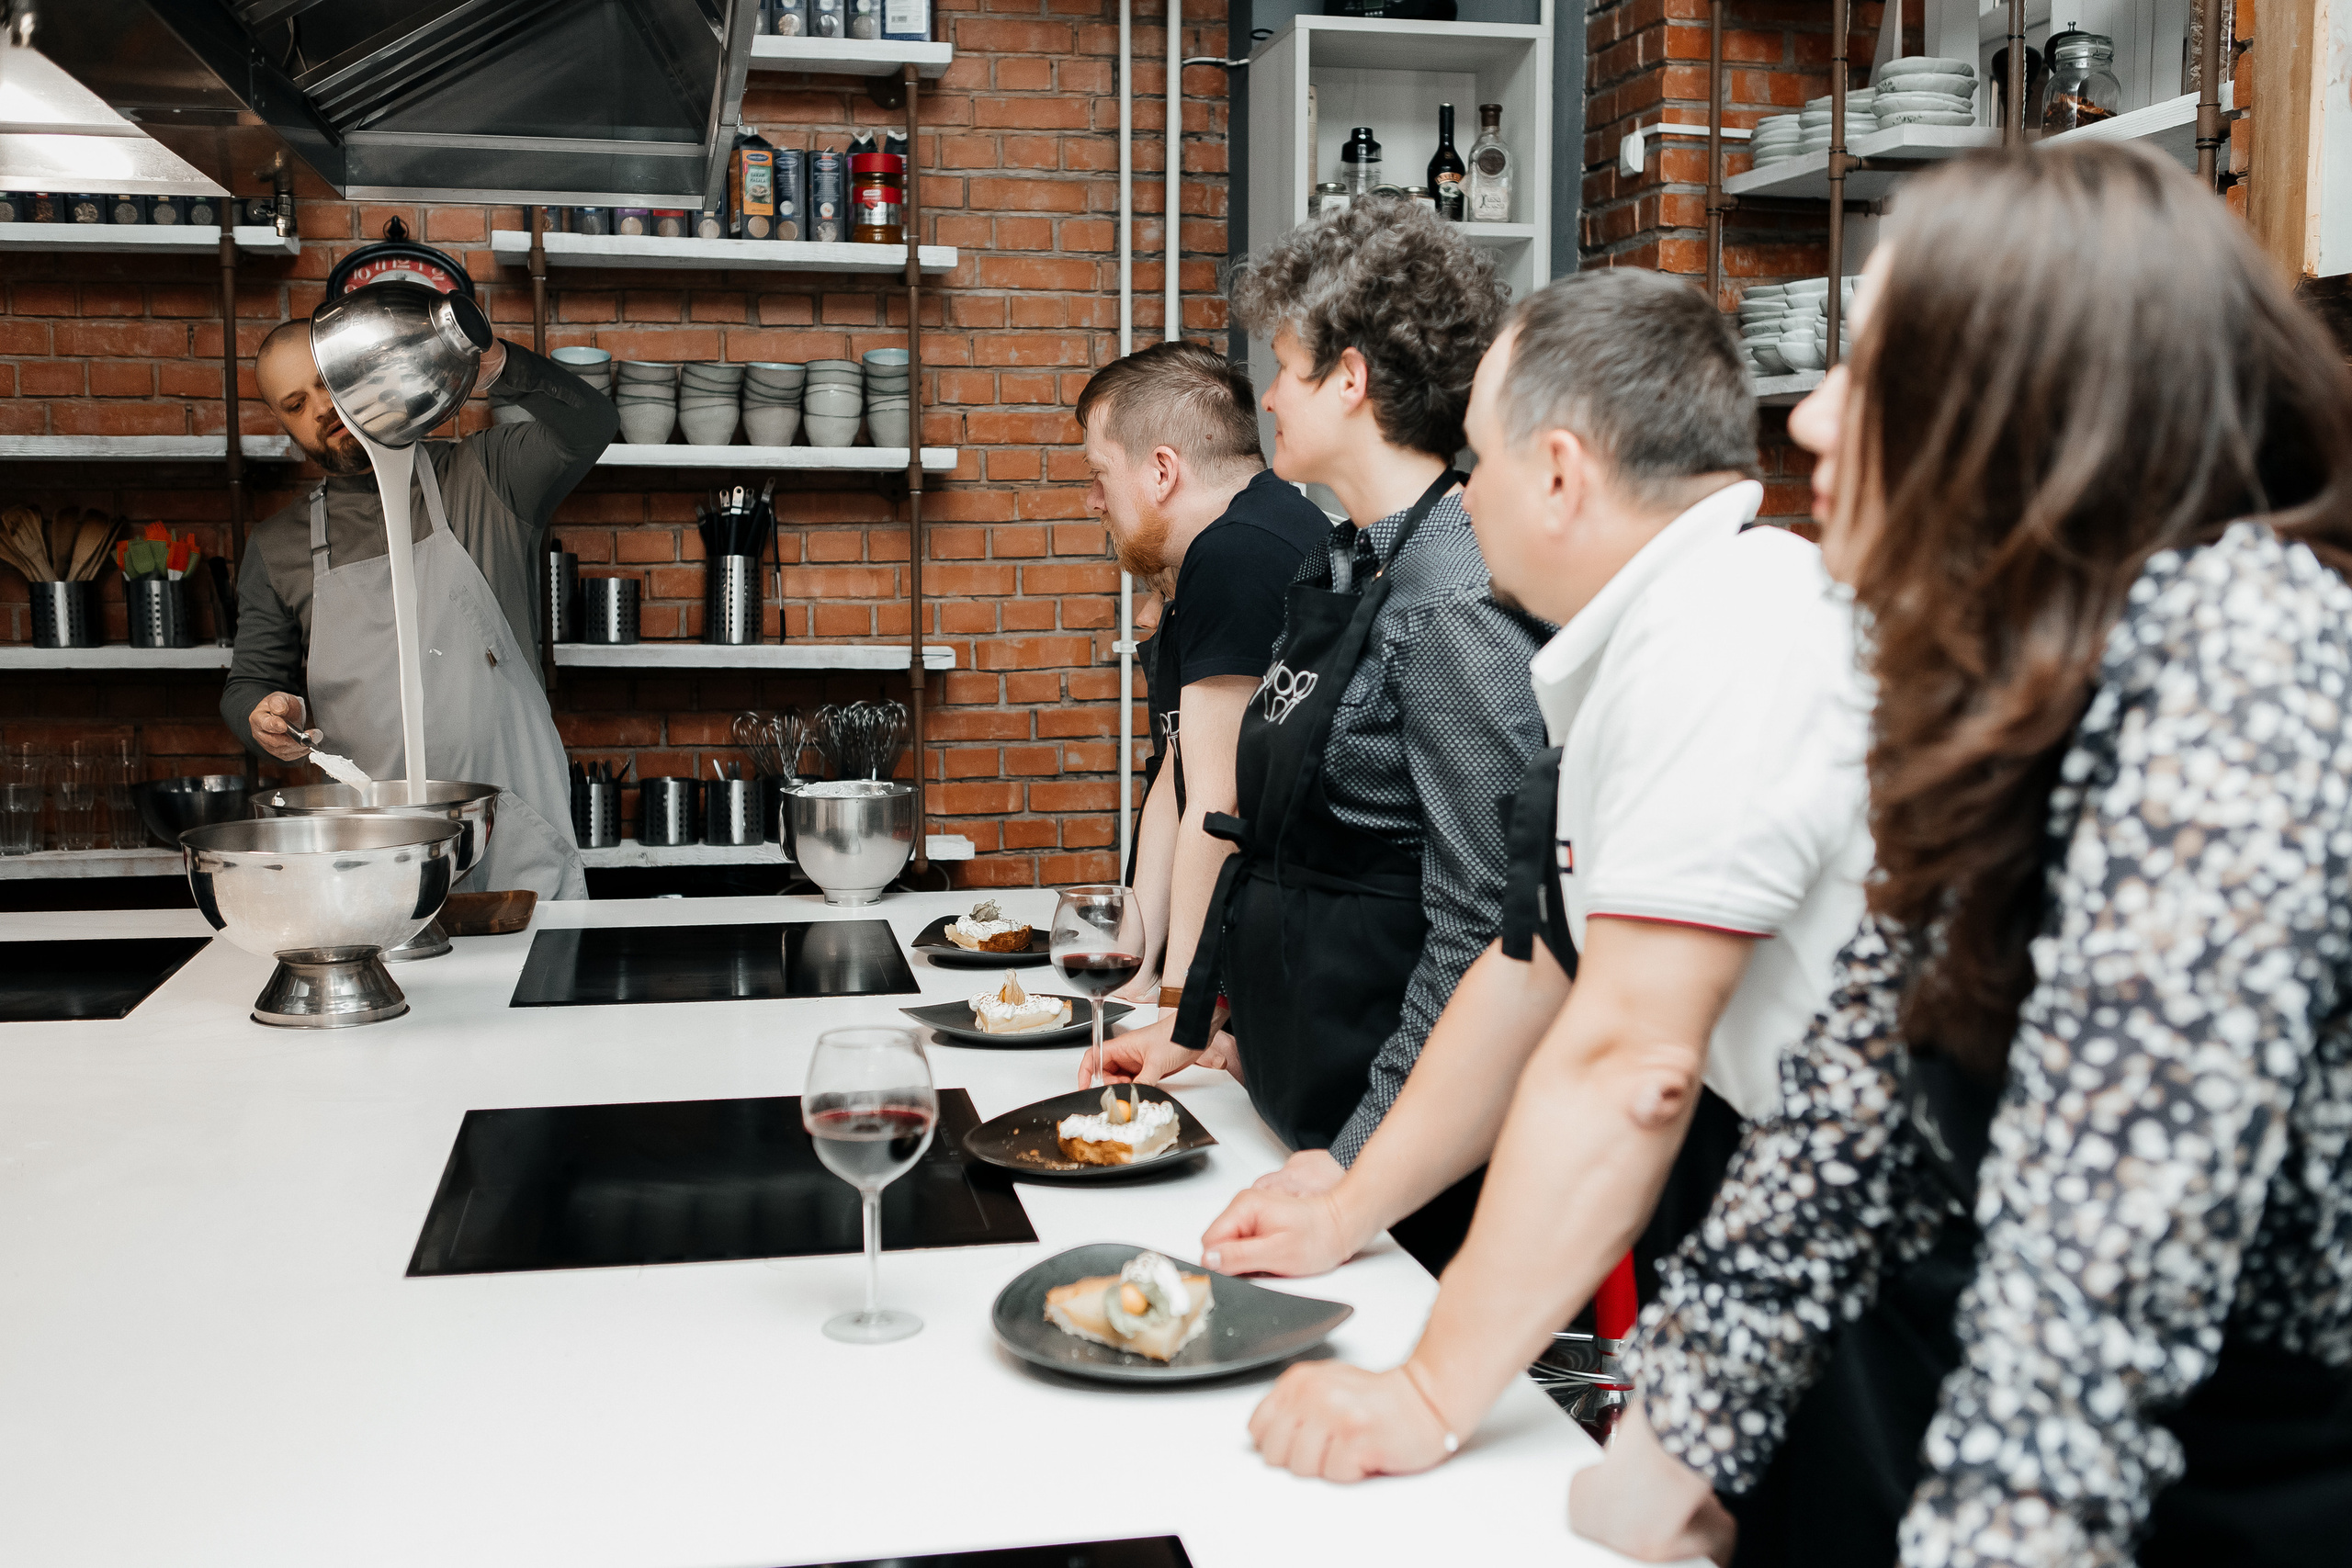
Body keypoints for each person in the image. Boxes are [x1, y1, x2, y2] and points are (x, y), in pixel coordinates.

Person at [1573, 143, 2352, 1568]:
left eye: (1863, 369)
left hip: (2243, 1498)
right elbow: (1845, 1123)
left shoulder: (2242, 668)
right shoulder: (2026, 680)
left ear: (2013, 406)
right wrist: (1655, 1457)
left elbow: (2093, 1301)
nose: (1808, 420)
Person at [1205, 266, 1876, 1489]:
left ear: (1560, 470)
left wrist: (1425, 1390)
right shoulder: (1642, 640)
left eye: (1477, 461)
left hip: (1882, 1252)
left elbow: (1631, 1059)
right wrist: (1348, 1203)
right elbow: (1531, 967)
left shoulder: (1726, 628)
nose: (1465, 497)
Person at [1084, 197, 1548, 1268]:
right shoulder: (1345, 563)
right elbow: (1278, 848)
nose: (1270, 397)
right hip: (1294, 1104)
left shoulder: (1452, 601)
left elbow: (1484, 926)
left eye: (1286, 366)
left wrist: (1360, 1168)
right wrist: (1207, 1035)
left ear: (1351, 380)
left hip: (1396, 1163)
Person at [222, 316, 618, 899]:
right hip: (370, 863)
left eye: (328, 383)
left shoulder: (484, 476)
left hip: (516, 847)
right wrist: (261, 714)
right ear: (281, 423)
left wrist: (502, 366)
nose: (321, 410)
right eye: (295, 403)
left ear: (365, 372)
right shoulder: (278, 546)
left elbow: (591, 426)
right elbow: (249, 682)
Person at [1077, 341, 1327, 1013]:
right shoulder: (1235, 539)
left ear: (1162, 471)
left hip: (1282, 965)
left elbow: (1219, 807)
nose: (1094, 500)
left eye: (1100, 472)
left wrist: (1176, 1012)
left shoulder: (1235, 553)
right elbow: (1176, 775)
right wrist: (1129, 972)